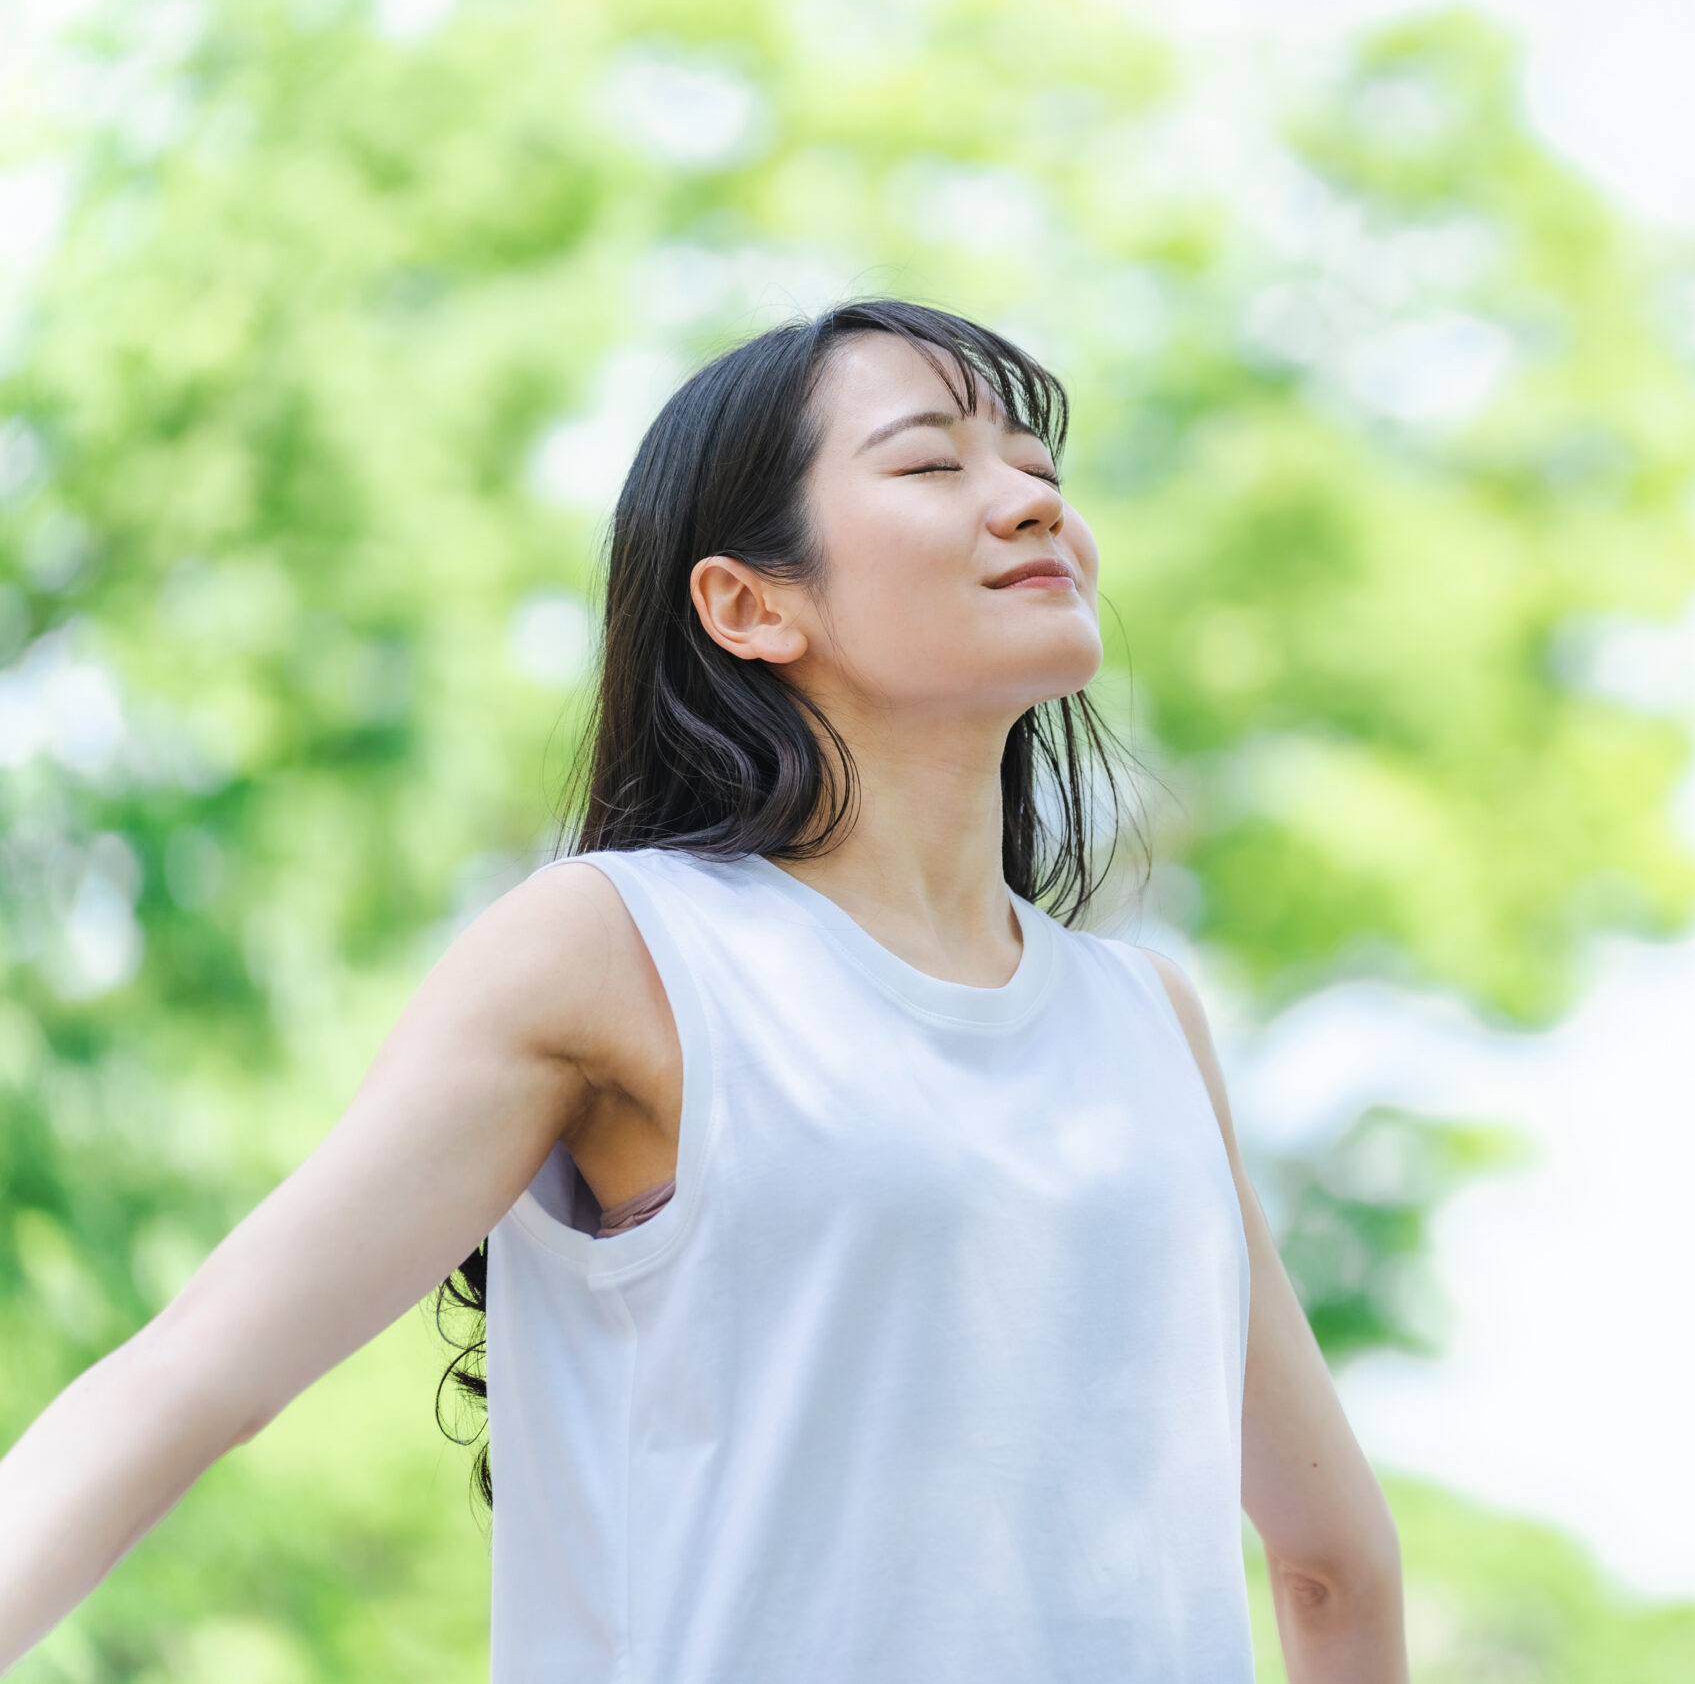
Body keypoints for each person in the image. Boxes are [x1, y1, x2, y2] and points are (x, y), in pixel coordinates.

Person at [0, 300, 1408, 1681]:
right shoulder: (620, 950)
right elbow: (188, 1380)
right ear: (749, 604)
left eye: (1041, 473)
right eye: (932, 463)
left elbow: (1334, 1559)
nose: (1032, 505)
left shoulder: (1144, 1021)